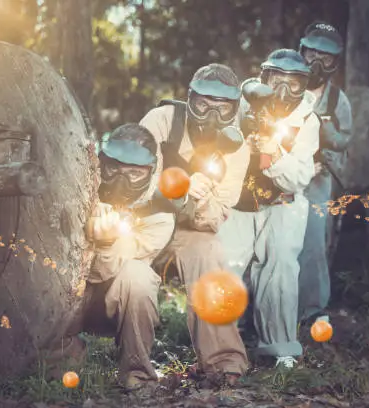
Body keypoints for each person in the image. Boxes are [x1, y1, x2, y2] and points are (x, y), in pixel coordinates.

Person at [140, 63, 251, 386]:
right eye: (203, 105)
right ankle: (132, 362)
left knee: (210, 254)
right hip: (146, 219)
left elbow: (218, 213)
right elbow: (137, 181)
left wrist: (199, 200)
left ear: (234, 109)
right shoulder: (161, 121)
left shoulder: (237, 146)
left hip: (191, 228)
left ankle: (223, 360)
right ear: (190, 99)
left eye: (222, 107)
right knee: (126, 274)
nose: (211, 115)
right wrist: (180, 185)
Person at [217, 49, 320, 369]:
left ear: (304, 86)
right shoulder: (239, 106)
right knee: (224, 269)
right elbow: (213, 151)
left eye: (294, 84)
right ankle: (219, 348)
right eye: (277, 82)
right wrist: (241, 147)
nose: (284, 92)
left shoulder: (307, 121)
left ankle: (279, 349)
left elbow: (299, 177)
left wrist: (274, 154)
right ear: (263, 80)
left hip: (282, 205)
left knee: (280, 271)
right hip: (238, 202)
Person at [81, 123, 178, 393]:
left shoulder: (159, 216)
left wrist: (107, 240)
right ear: (100, 161)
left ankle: (137, 374)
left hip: (105, 305)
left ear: (151, 171)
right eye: (114, 168)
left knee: (139, 276)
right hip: (57, 296)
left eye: (135, 173)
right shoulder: (78, 186)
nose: (122, 181)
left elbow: (101, 272)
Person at [297, 22, 353, 325]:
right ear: (301, 51)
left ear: (334, 63)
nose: (316, 62)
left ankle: (312, 311)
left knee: (313, 242)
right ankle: (261, 311)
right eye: (312, 53)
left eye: (326, 57)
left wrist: (325, 140)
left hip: (318, 181)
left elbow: (345, 140)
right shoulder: (284, 86)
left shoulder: (336, 100)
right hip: (279, 177)